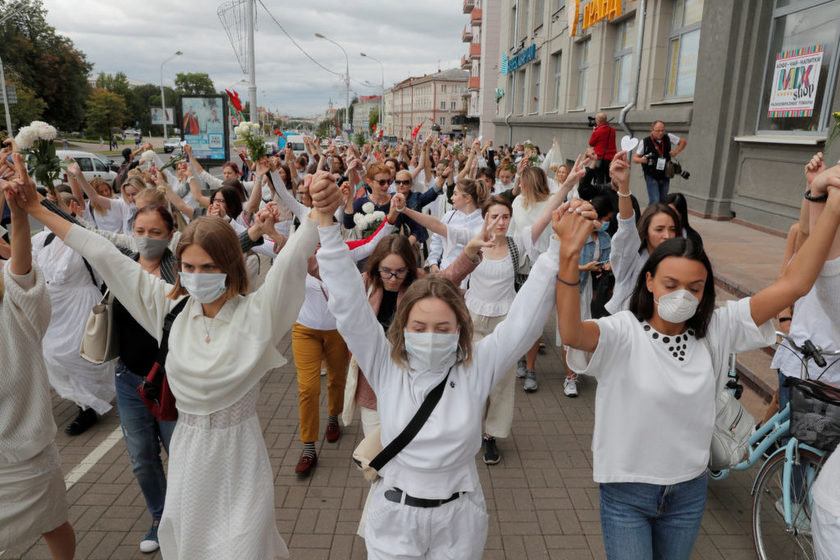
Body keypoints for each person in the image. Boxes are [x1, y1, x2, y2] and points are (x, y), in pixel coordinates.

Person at [11, 156, 341, 559]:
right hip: (188, 457)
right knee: (190, 543)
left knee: (245, 547)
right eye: (188, 266)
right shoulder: (169, 308)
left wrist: (322, 209)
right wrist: (36, 209)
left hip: (241, 460)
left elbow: (292, 260)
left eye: (209, 266)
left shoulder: (260, 314)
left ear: (231, 266)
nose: (197, 275)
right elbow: (101, 251)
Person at [554, 153, 840, 560]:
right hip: (627, 493)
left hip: (688, 492)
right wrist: (568, 258)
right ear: (649, 281)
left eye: (696, 286)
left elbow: (795, 283)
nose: (683, 294)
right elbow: (571, 333)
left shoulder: (717, 329)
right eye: (670, 283)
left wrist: (826, 203)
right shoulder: (623, 331)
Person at [310, 170, 563, 559]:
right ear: (403, 329)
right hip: (394, 518)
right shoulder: (384, 364)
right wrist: (327, 226)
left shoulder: (476, 366)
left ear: (460, 329)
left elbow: (521, 324)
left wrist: (558, 250)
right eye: (420, 326)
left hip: (459, 521)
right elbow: (347, 304)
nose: (430, 335)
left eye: (443, 327)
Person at [0, 163, 76, 560]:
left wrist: (17, 214)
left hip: (22, 445)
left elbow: (23, 271)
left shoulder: (12, 293)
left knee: (52, 520)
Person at [32, 190, 115, 435]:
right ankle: (84, 399)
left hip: (82, 302)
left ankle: (87, 408)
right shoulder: (42, 239)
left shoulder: (86, 237)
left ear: (72, 208)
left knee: (82, 356)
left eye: (55, 206)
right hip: (54, 305)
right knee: (53, 353)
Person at [605, 154, 682, 315]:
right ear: (646, 232)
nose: (667, 235)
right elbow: (626, 227)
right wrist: (623, 187)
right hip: (627, 332)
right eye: (659, 229)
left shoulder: (681, 261)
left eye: (672, 229)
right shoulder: (632, 259)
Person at [632, 120, 687, 204]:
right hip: (651, 174)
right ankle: (652, 216)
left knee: (663, 201)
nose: (661, 133)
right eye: (658, 131)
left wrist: (676, 152)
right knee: (655, 200)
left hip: (665, 174)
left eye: (662, 130)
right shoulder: (645, 142)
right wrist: (642, 160)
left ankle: (655, 215)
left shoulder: (668, 137)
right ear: (652, 131)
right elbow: (635, 158)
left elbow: (683, 142)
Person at [588, 113, 617, 186]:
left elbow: (591, 143)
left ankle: (600, 195)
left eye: (596, 120)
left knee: (599, 179)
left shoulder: (598, 131)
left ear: (599, 121)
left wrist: (594, 131)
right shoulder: (612, 130)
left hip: (600, 158)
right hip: (611, 158)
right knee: (609, 179)